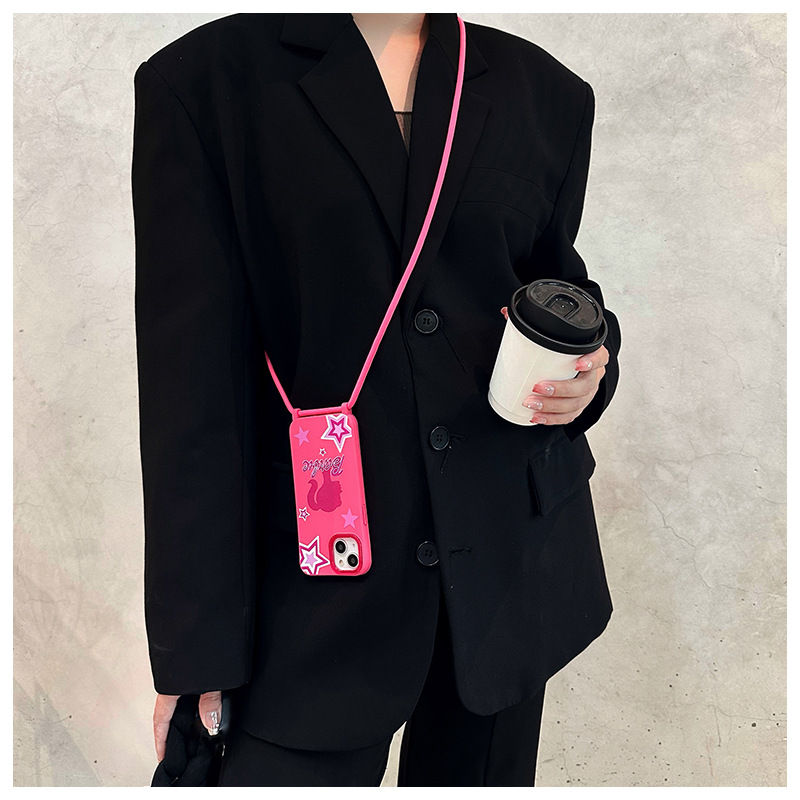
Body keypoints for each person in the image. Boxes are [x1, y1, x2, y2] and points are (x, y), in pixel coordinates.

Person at [131, 12, 621, 787]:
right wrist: (197, 649)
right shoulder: (204, 83)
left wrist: (592, 370)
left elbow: (555, 284)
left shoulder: (546, 92)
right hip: (305, 597)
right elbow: (189, 390)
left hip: (502, 575)